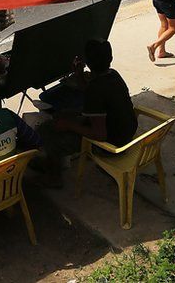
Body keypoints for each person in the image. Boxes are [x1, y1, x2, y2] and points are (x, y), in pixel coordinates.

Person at [35, 40, 137, 186]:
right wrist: (79, 75)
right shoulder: (113, 75)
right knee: (65, 115)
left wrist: (69, 125)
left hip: (112, 146)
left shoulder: (95, 90)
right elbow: (91, 91)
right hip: (126, 132)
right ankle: (50, 163)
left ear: (87, 62)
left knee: (48, 131)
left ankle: (54, 177)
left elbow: (100, 134)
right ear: (111, 59)